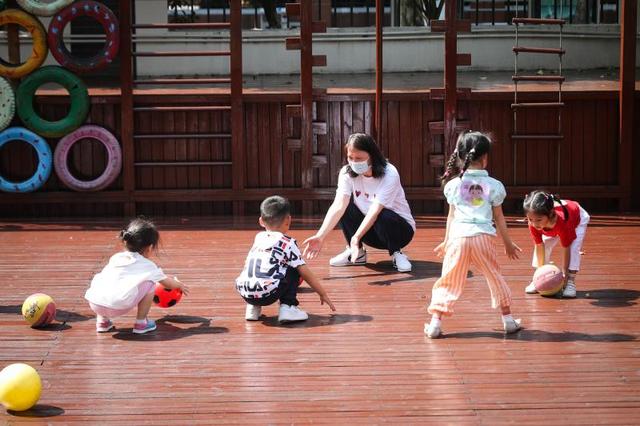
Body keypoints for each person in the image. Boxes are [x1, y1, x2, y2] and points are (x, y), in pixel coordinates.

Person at [426, 131, 522, 338]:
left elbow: (451, 216)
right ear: (485, 158)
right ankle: (508, 320)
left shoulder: (453, 185)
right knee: (494, 277)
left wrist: (445, 241)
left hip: (458, 237)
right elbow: (499, 218)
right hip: (483, 237)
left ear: (460, 157)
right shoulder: (495, 186)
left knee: (449, 278)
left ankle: (435, 323)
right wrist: (508, 243)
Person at [302, 133, 415, 272]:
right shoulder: (346, 173)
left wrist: (355, 237)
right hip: (370, 232)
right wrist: (320, 236)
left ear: (372, 156)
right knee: (345, 206)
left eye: (359, 158)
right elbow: (338, 205)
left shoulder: (390, 173)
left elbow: (375, 211)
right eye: (350, 157)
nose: (354, 162)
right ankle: (357, 253)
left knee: (383, 215)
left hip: (400, 231)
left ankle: (397, 253)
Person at [236, 196, 336, 322]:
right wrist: (322, 293)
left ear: (261, 221)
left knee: (263, 266)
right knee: (294, 268)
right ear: (288, 220)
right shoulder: (287, 242)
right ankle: (288, 308)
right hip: (269, 293)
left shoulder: (258, 238)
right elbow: (305, 272)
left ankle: (253, 308)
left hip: (245, 292)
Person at [85, 218, 189, 334]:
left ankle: (103, 322)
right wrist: (179, 285)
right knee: (151, 283)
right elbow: (167, 283)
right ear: (149, 248)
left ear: (126, 241)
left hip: (95, 303)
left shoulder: (116, 258)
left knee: (105, 279)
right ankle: (141, 323)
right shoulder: (149, 266)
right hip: (119, 307)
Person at [523, 190, 590, 298]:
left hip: (577, 219)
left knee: (573, 247)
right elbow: (539, 246)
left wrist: (565, 276)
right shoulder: (533, 223)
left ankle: (570, 282)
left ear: (549, 214)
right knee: (544, 243)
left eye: (538, 220)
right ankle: (536, 279)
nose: (535, 224)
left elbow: (566, 247)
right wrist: (540, 274)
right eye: (530, 219)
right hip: (551, 224)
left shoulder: (563, 222)